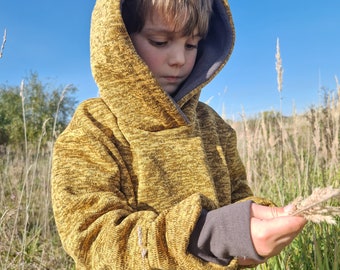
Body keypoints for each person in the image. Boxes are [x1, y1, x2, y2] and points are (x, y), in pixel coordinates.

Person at [51, 0, 307, 269]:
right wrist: (209, 236)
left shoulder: (213, 125)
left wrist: (255, 218)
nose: (179, 59)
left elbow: (238, 195)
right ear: (119, 39)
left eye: (191, 44)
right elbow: (92, 239)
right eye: (160, 41)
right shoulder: (92, 128)